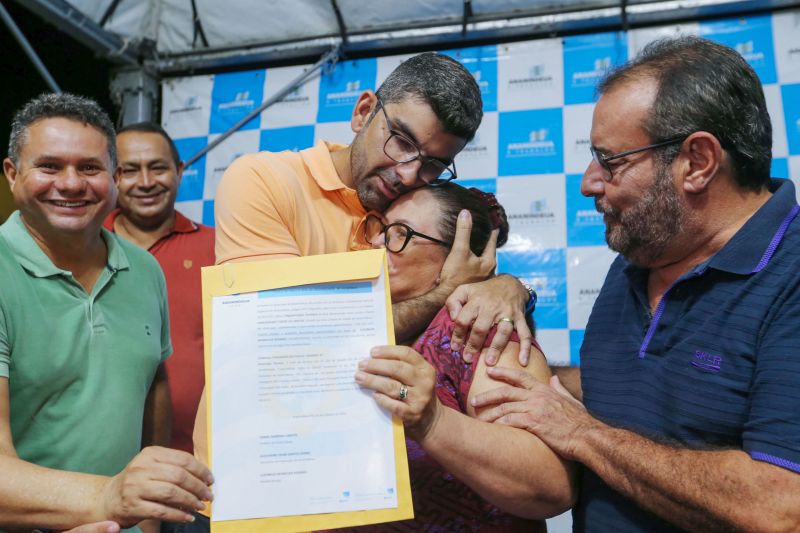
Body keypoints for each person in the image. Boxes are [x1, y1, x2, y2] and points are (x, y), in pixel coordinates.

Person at [472, 36, 800, 531]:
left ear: (698, 162)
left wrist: (582, 434)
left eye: (611, 160)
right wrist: (532, 374)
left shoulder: (791, 275)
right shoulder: (642, 254)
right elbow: (640, 383)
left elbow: (779, 506)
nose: (588, 182)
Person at [194, 52, 537, 471]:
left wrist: (508, 286)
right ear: (362, 112)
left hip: (360, 477)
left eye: (433, 164)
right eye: (403, 142)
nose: (409, 173)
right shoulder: (264, 181)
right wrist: (446, 292)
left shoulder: (415, 208)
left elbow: (472, 270)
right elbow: (279, 343)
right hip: (259, 469)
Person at [0, 93, 212, 531]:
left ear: (113, 179)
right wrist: (111, 497)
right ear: (12, 174)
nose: (72, 183)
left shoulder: (144, 269)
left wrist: (147, 515)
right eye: (50, 166)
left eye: (90, 168)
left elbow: (154, 380)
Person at [345, 184, 574, 531]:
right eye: (381, 228)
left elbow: (549, 485)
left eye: (400, 233)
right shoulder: (357, 321)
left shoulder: (475, 327)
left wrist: (433, 421)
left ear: (458, 255)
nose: (378, 243)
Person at [103, 122, 215, 454]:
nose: (147, 182)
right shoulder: (85, 250)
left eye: (158, 168)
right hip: (101, 464)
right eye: (130, 170)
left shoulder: (221, 248)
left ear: (179, 171)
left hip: (201, 462)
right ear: (112, 177)